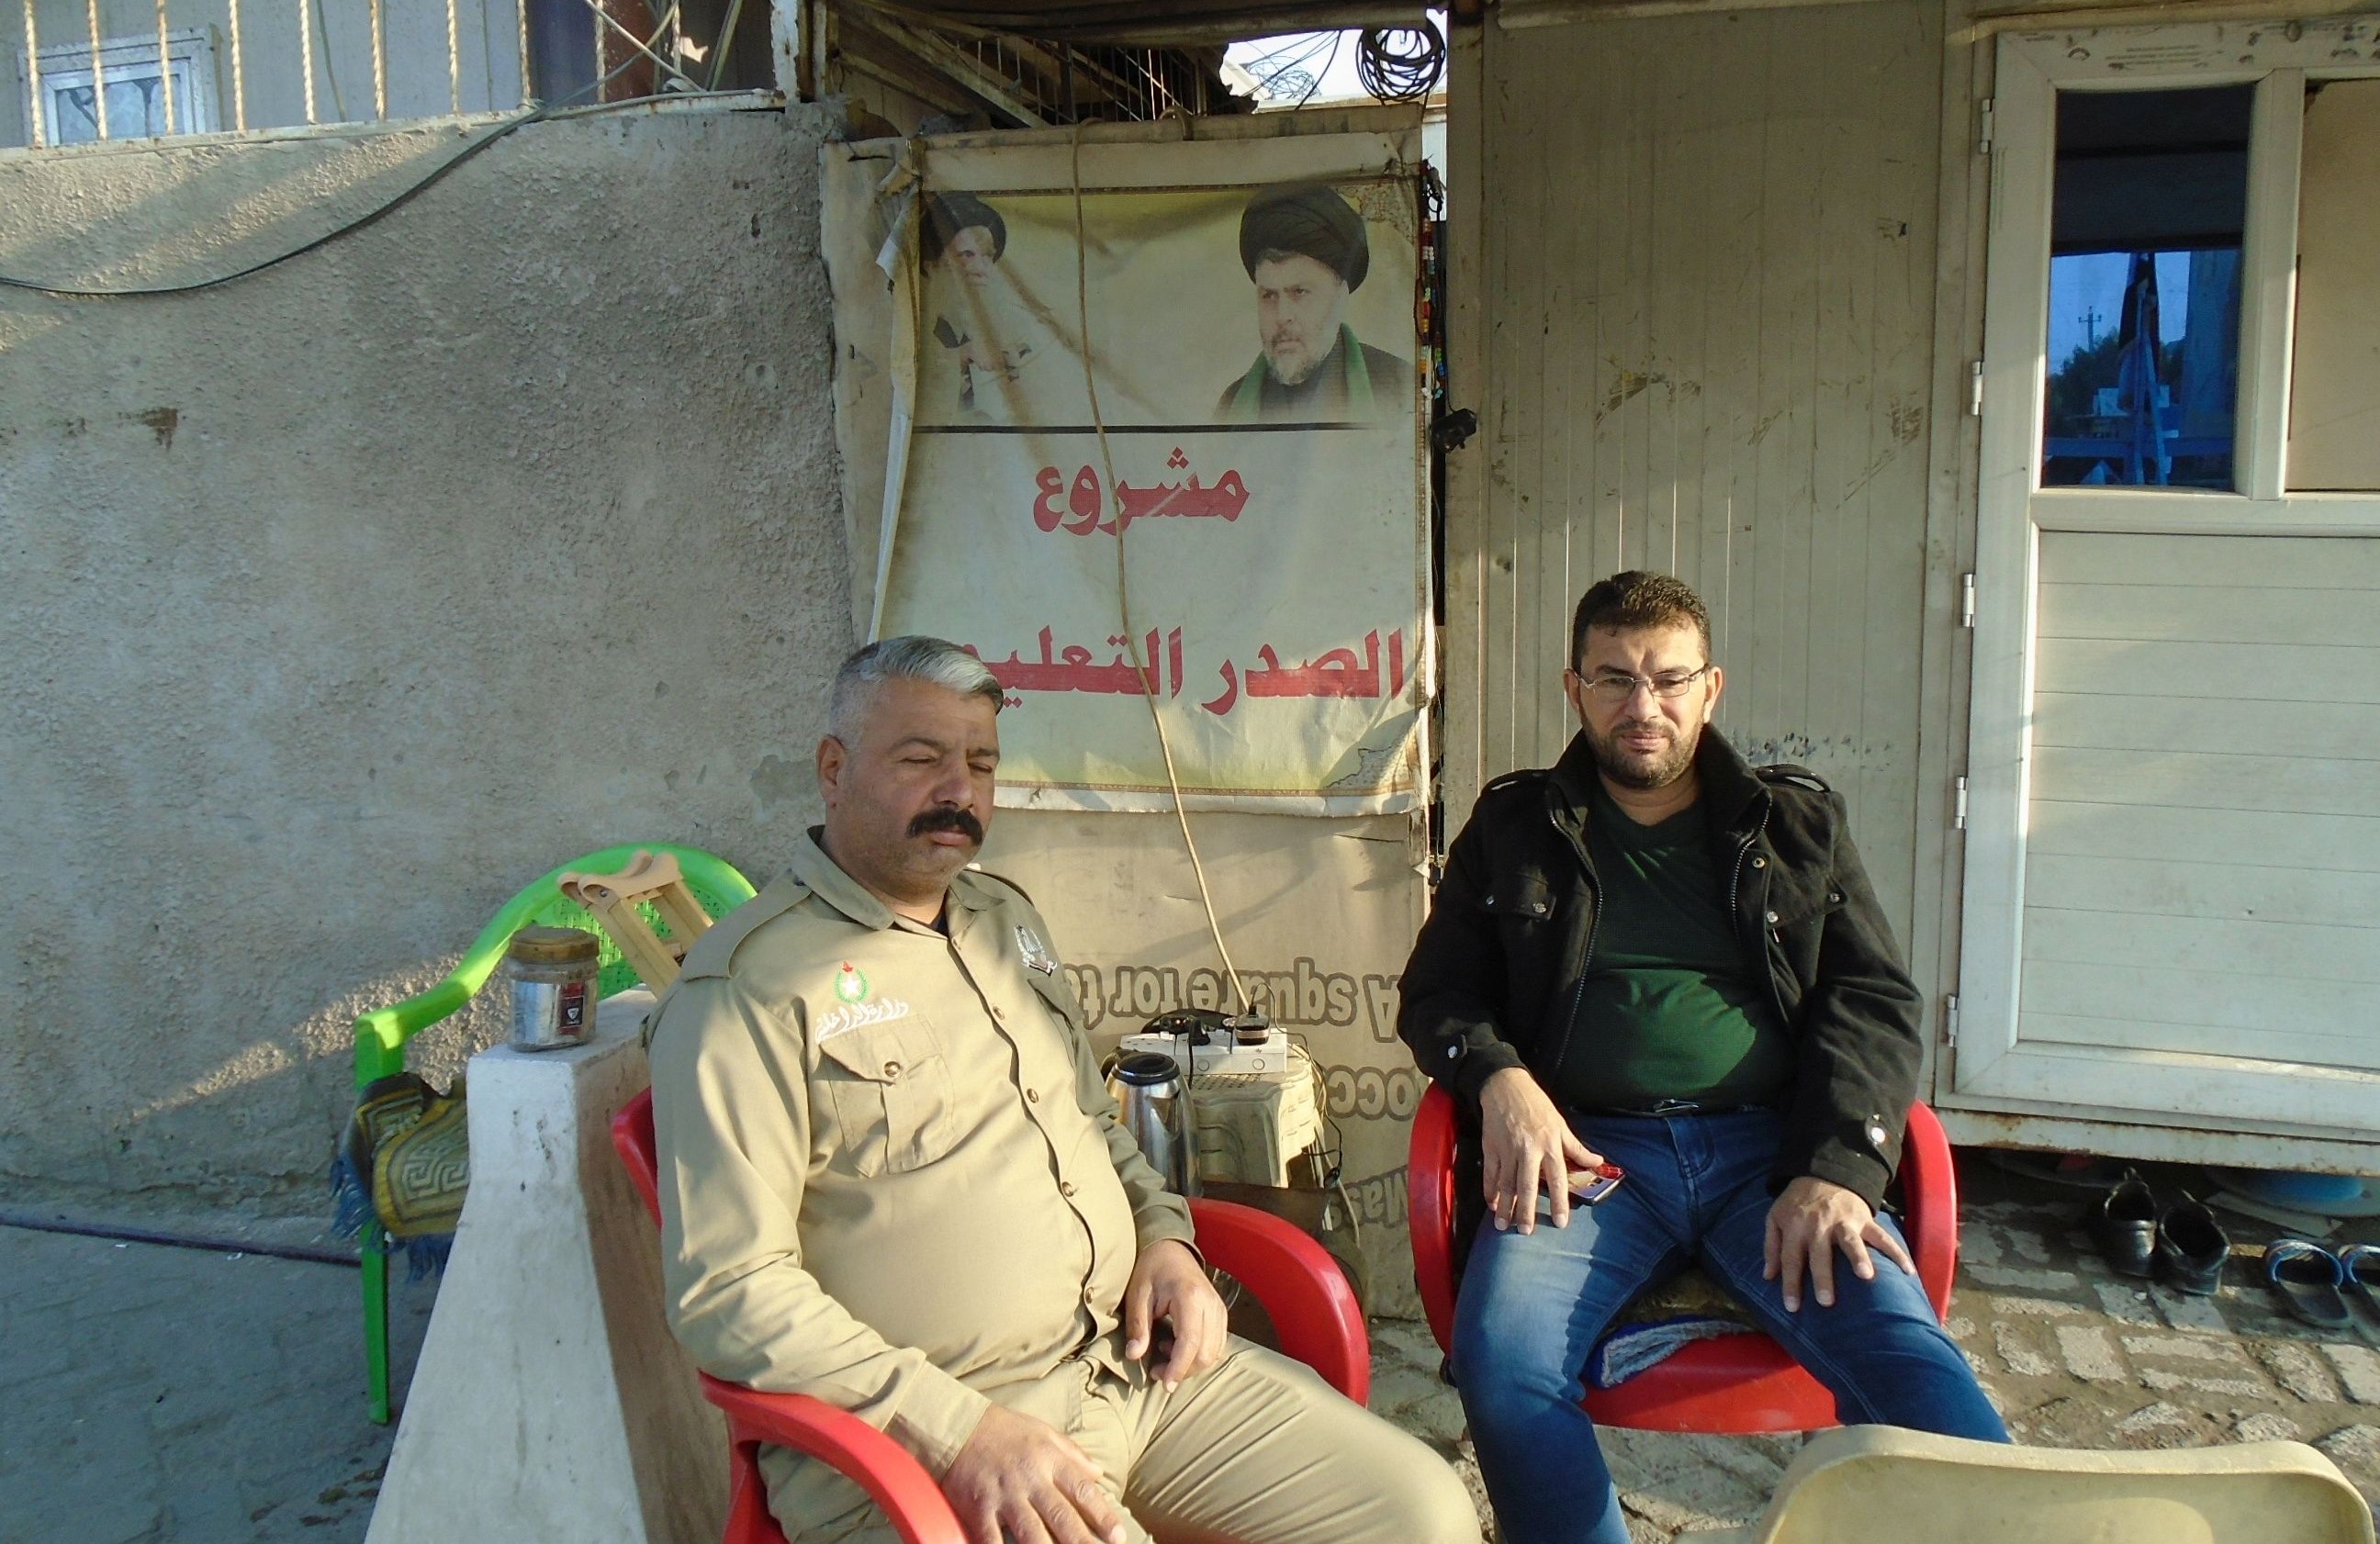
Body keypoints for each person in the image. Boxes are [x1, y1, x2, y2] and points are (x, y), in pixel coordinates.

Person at [647, 636, 1479, 1544]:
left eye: (980, 762)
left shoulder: (1005, 917)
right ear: (833, 769)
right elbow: (731, 1290)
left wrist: (1166, 1239)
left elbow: (1088, 1123)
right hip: (925, 1442)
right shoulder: (749, 989)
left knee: (1421, 1510)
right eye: (921, 759)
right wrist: (960, 1426)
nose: (957, 791)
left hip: (1127, 1371)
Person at [1396, 573, 2007, 1544]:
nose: (1644, 707)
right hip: (1588, 1161)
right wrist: (1499, 1078)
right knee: (1502, 1360)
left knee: (1907, 1353)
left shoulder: (1797, 826)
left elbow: (1875, 1000)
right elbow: (1436, 993)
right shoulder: (1514, 828)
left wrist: (1837, 1166)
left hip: (1772, 1158)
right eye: (1615, 679)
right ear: (1575, 687)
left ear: (1711, 688)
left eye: (1669, 679)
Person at [1213, 183, 1411, 425]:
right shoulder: (1231, 404)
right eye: (1269, 296)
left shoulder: (1397, 386)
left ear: (1341, 296)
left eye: (1299, 292)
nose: (1282, 315)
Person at [920, 192, 1042, 422]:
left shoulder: (989, 326)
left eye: (987, 256)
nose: (981, 268)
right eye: (966, 255)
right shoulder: (920, 326)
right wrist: (961, 356)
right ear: (933, 265)